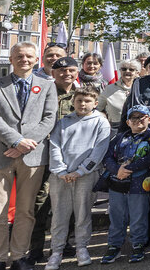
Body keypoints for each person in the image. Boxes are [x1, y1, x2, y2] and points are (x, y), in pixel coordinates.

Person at [0, 41, 58, 270]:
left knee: (25, 210)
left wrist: (24, 145)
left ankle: (18, 256)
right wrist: (15, 141)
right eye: (19, 56)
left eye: (29, 56)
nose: (24, 60)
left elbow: (49, 118)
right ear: (11, 59)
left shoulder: (47, 86)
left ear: (36, 60)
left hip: (32, 156)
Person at [45, 85, 111, 270]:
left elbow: (98, 151)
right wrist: (61, 170)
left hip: (85, 176)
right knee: (59, 215)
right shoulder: (64, 121)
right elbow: (55, 145)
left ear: (95, 103)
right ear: (73, 102)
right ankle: (56, 251)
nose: (83, 104)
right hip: (61, 176)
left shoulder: (101, 122)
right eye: (79, 100)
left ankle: (81, 248)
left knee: (82, 214)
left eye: (87, 101)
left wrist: (80, 171)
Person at [99, 105, 150, 265]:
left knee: (138, 217)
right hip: (117, 183)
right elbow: (107, 156)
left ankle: (138, 244)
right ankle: (114, 245)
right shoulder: (119, 137)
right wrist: (117, 170)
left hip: (139, 185)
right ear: (128, 121)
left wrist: (128, 169)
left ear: (149, 119)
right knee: (117, 217)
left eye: (142, 117)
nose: (137, 120)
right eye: (134, 118)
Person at [99, 59, 139, 131]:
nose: (127, 71)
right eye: (124, 69)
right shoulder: (109, 89)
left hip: (138, 127)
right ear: (120, 71)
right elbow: (98, 108)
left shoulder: (141, 88)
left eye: (131, 69)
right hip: (115, 128)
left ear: (137, 72)